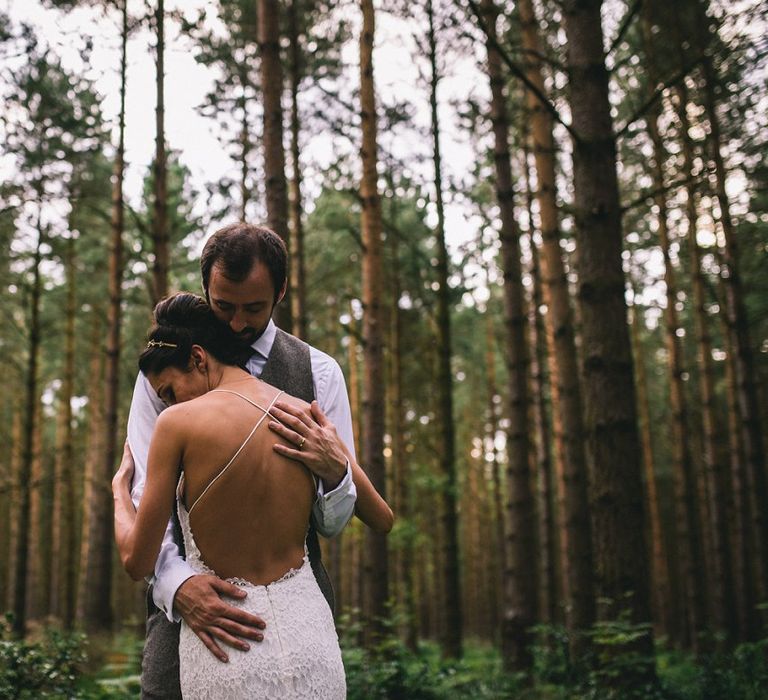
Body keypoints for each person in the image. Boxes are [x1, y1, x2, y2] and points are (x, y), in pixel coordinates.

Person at [120, 223, 393, 698]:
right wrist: (178, 586)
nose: (238, 324)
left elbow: (332, 523)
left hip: (301, 611)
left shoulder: (319, 373)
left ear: (281, 291)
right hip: (186, 613)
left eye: (254, 308)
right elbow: (150, 496)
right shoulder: (163, 368)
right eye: (223, 306)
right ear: (206, 288)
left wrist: (335, 472)